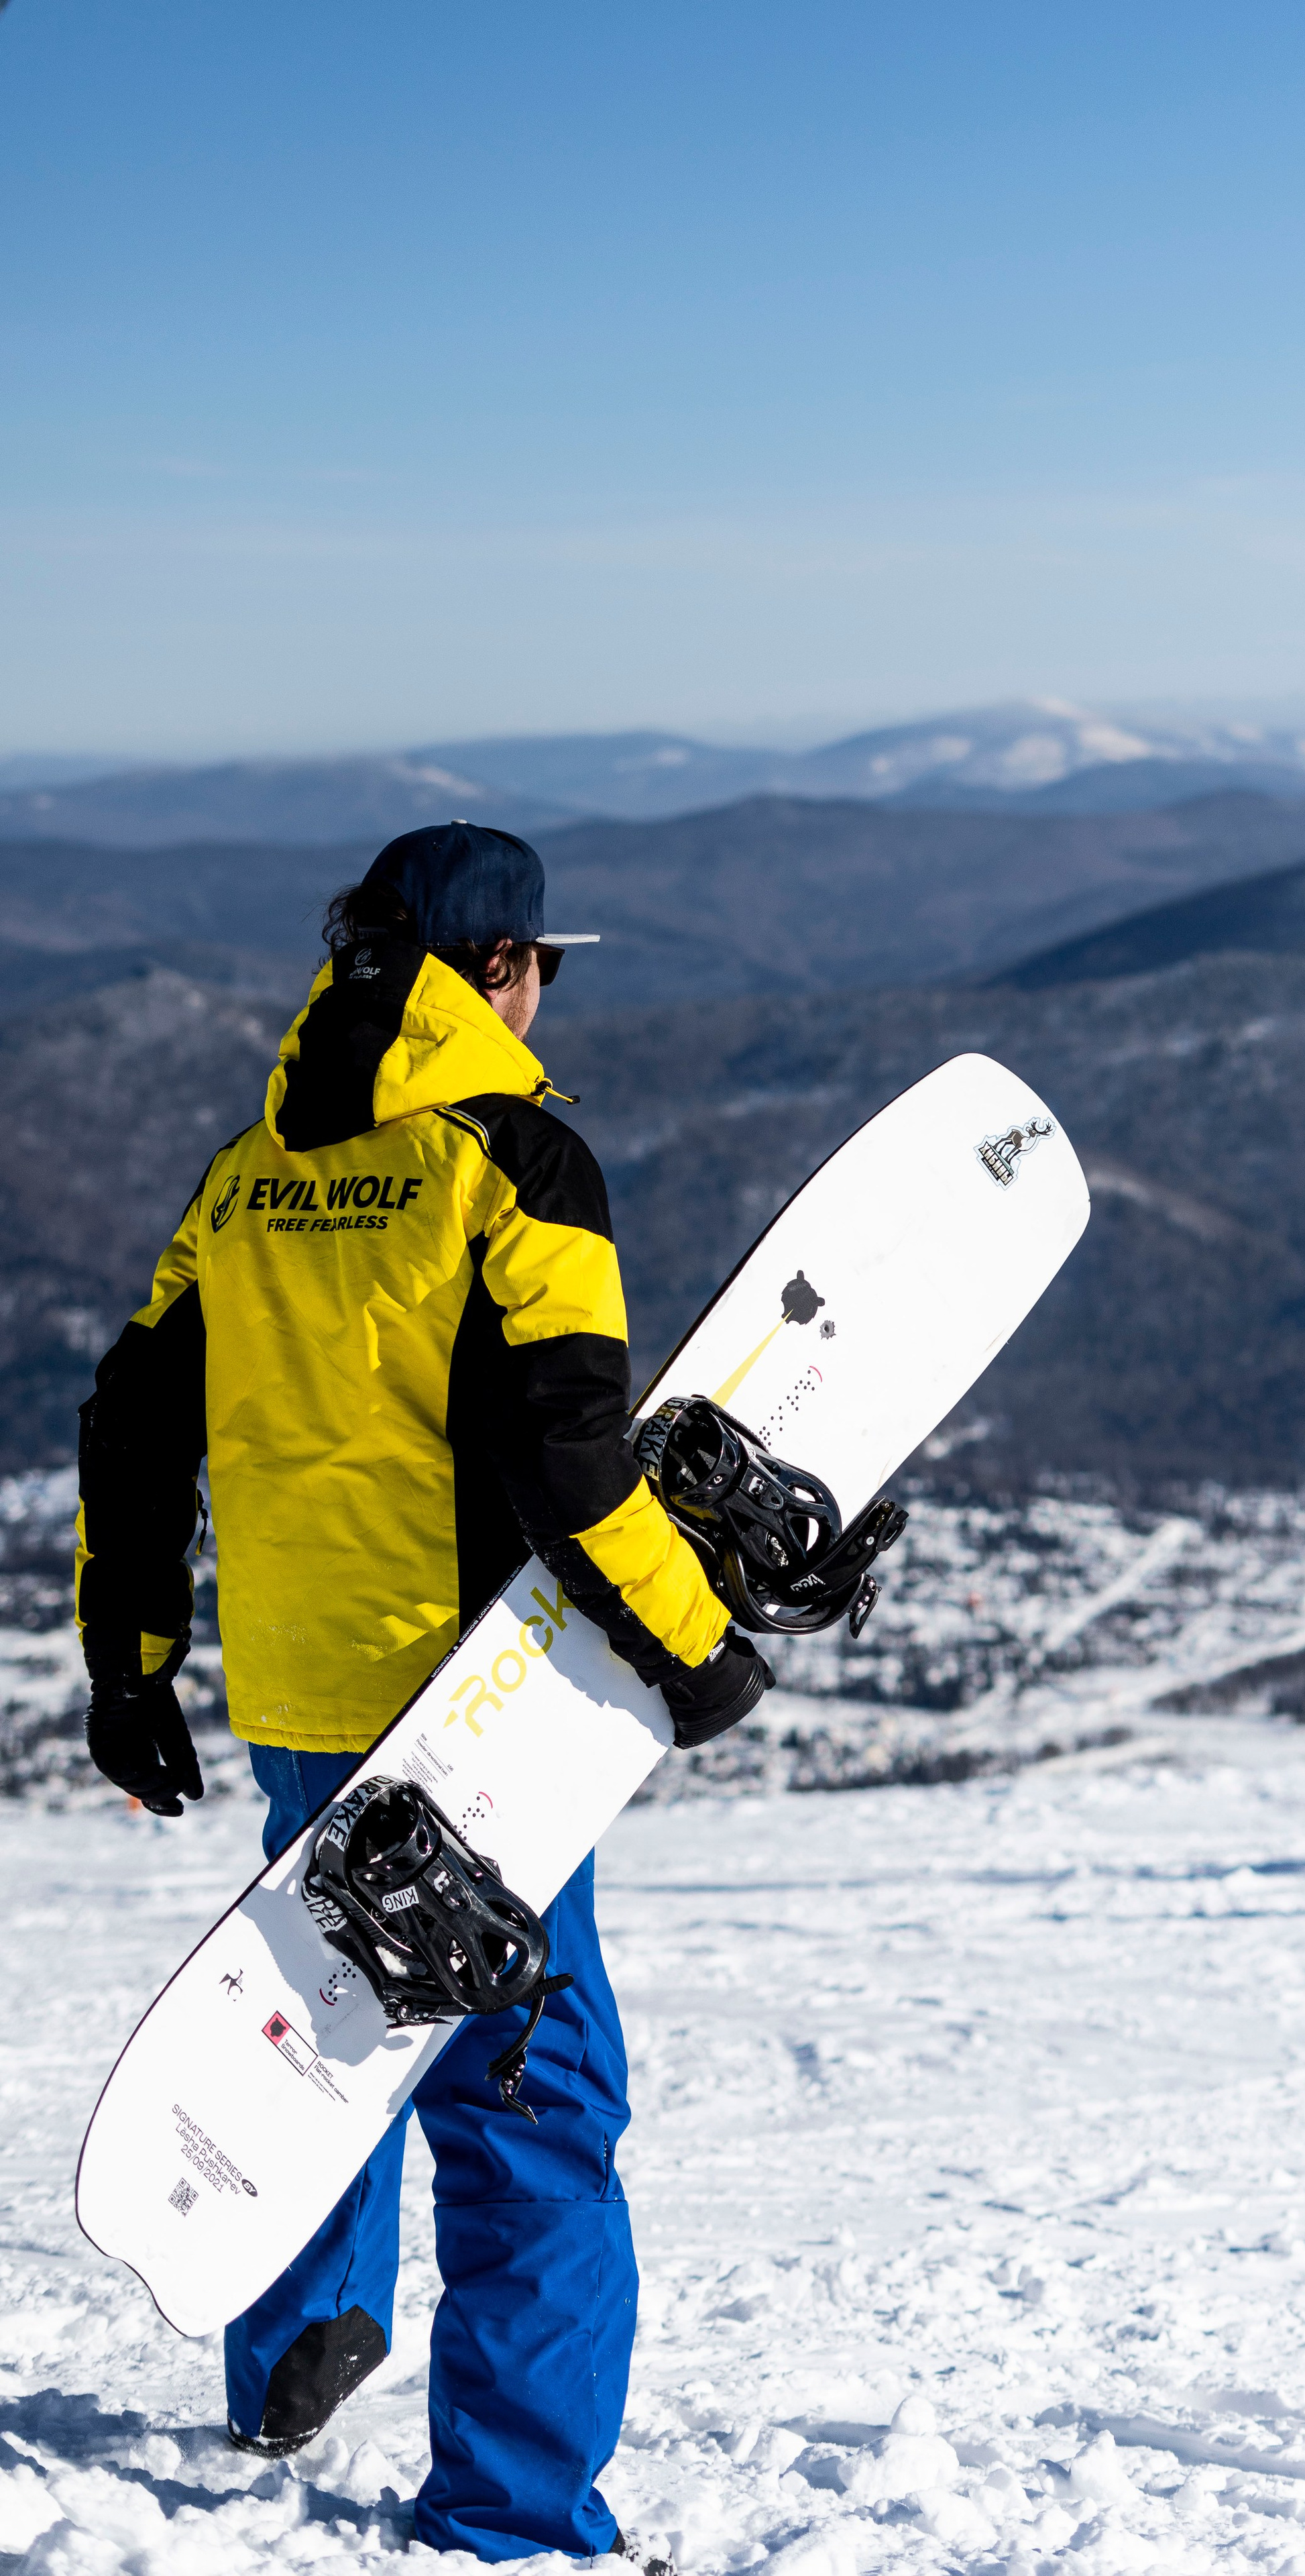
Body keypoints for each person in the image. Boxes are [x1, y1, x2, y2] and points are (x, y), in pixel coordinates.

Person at [74, 822, 771, 2564]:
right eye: (539, 968)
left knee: (322, 2015)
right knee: (530, 2108)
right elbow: (572, 1459)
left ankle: (293, 2348)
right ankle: (517, 2518)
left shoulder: (250, 1171)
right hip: (479, 1731)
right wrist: (694, 1649)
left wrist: (129, 1662)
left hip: (305, 1694)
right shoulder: (514, 1159)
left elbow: (136, 1425)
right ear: (504, 971)